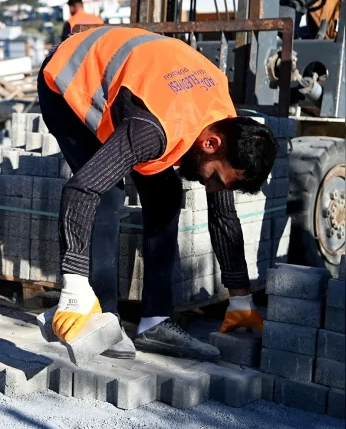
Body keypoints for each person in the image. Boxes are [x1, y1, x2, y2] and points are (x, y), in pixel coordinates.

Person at [38, 25, 275, 361]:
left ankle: (154, 322)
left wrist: (240, 300)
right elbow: (81, 188)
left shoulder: (223, 124)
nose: (213, 188)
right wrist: (73, 286)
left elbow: (223, 215)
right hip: (68, 76)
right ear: (211, 144)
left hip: (146, 89)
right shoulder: (152, 131)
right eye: (218, 180)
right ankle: (101, 318)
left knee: (165, 194)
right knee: (105, 194)